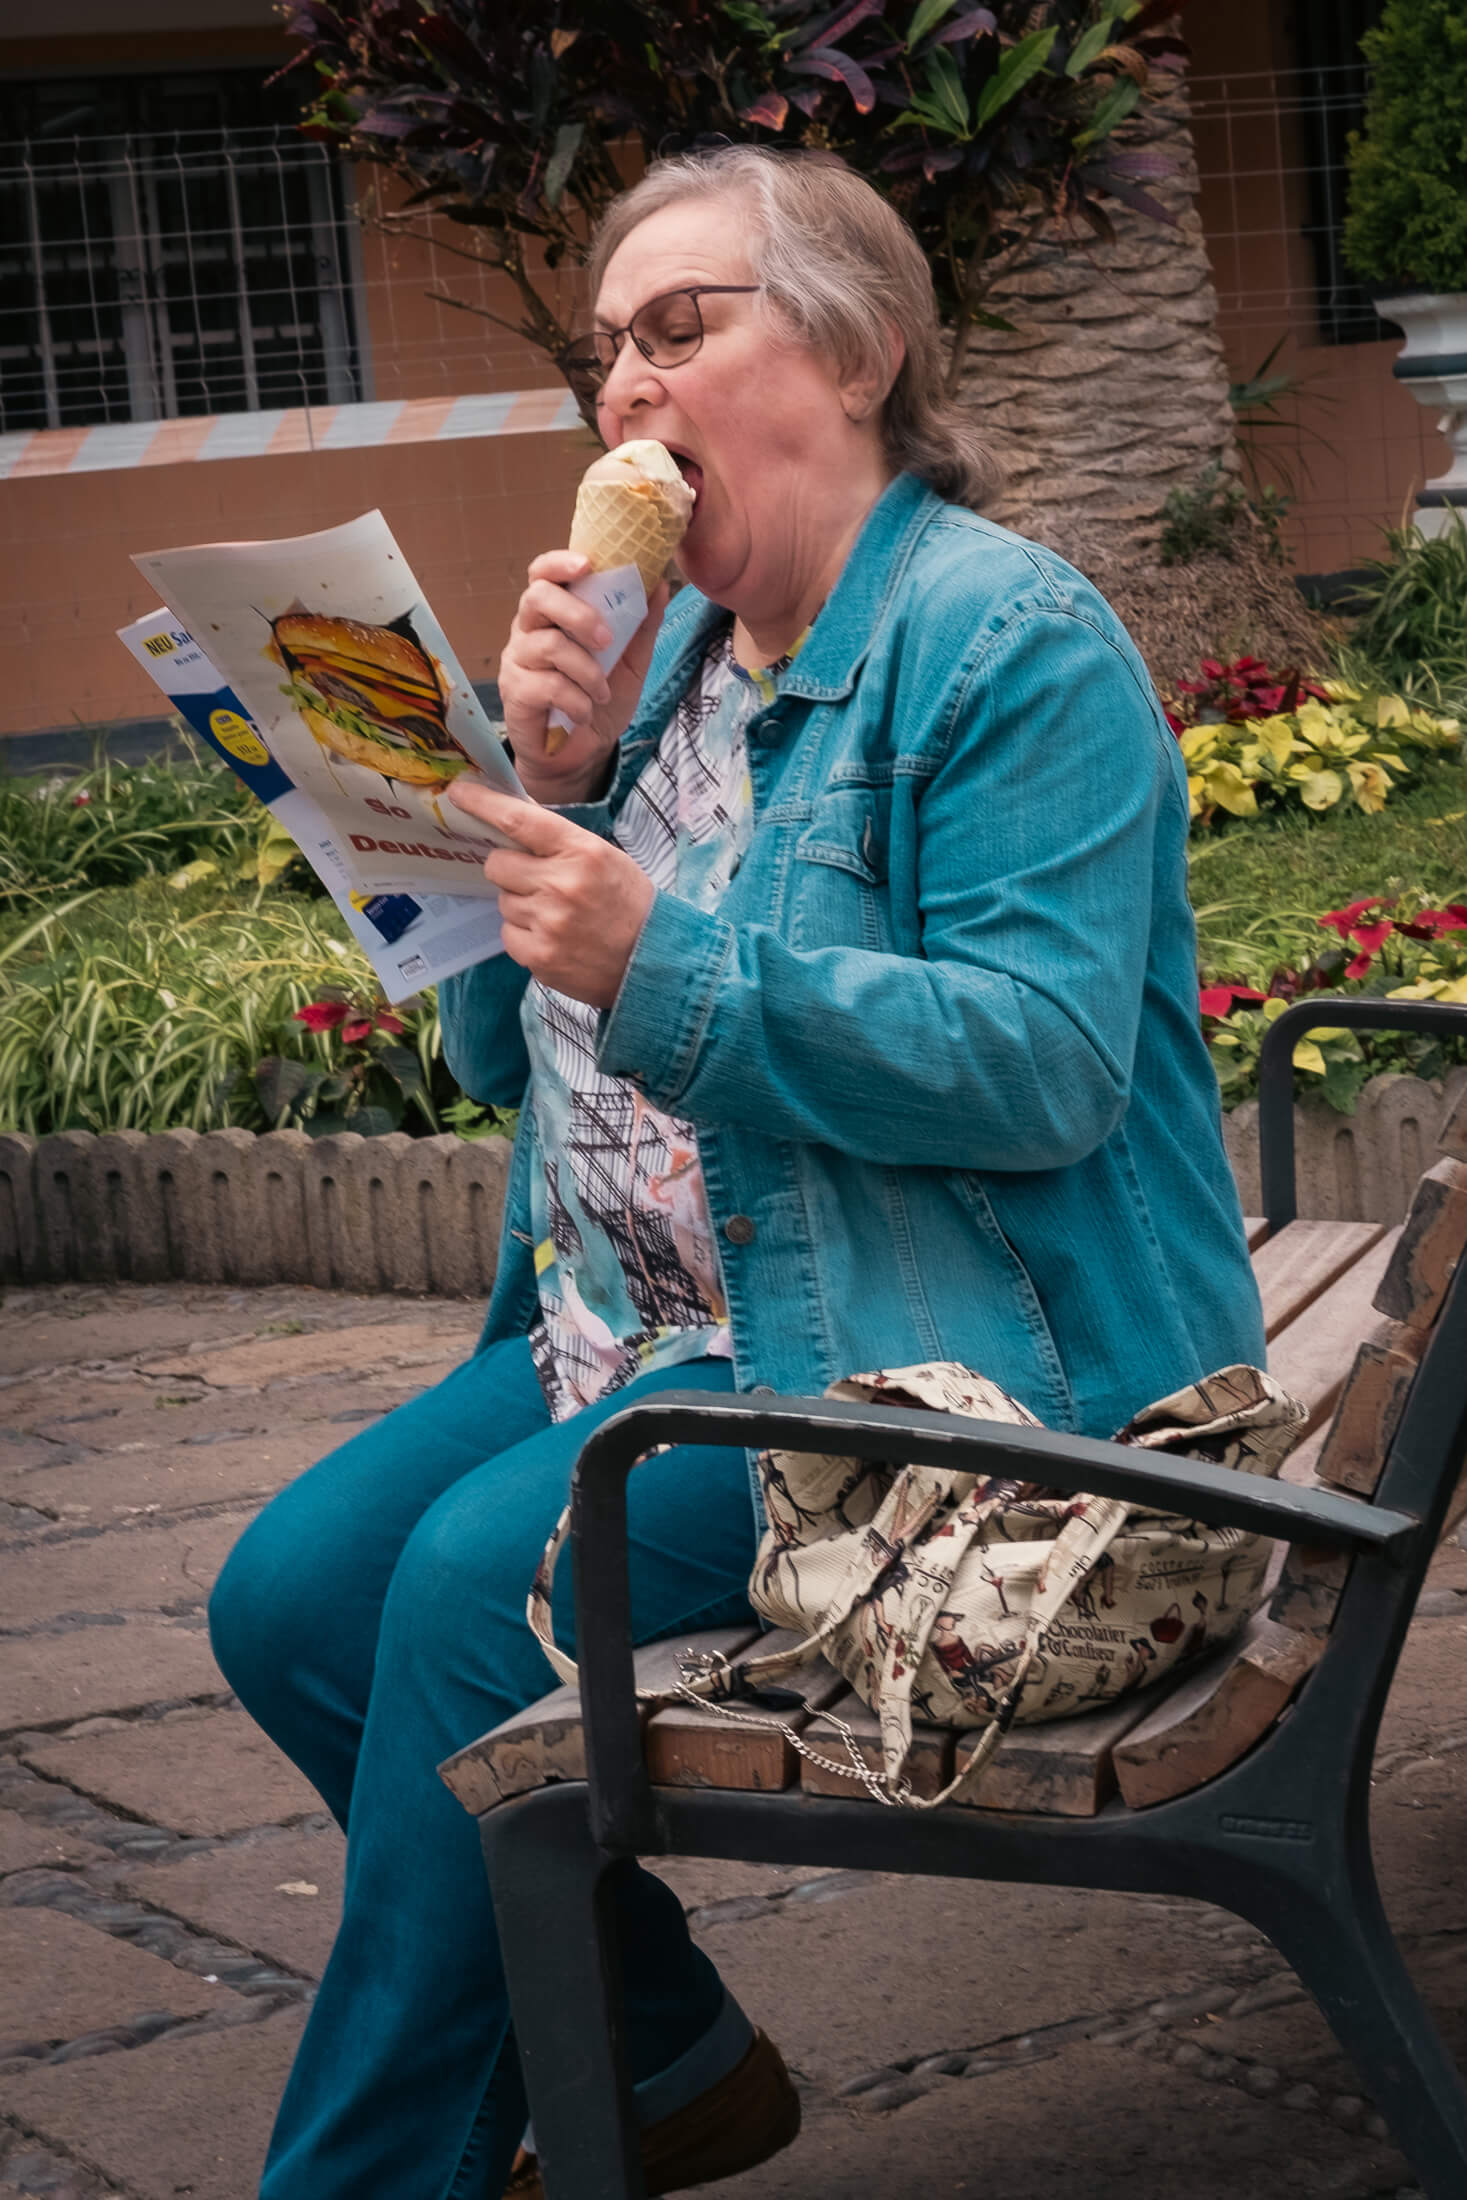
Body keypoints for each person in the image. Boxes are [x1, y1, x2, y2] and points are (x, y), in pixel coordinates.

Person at [208, 145, 1265, 2200]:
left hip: (916, 1369)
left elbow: (1039, 1065)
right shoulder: (673, 657)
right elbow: (521, 1047)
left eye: (679, 328)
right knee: (289, 1601)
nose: (623, 387)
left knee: (458, 1601)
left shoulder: (999, 642)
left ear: (857, 350)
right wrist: (537, 792)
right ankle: (671, 2049)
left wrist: (654, 947)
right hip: (620, 1330)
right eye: (603, 349)